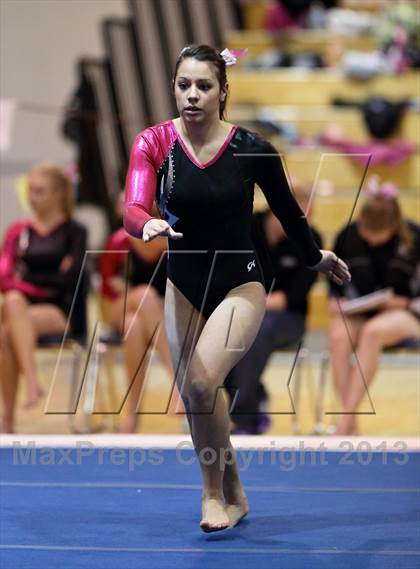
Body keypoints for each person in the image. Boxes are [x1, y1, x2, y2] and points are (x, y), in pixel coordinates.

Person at [123, 44, 350, 532]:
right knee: (198, 395)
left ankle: (211, 495)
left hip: (240, 282)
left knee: (203, 382)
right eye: (184, 84)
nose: (192, 95)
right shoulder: (154, 142)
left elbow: (290, 214)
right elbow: (133, 205)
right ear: (173, 88)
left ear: (223, 92)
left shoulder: (253, 149)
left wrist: (316, 258)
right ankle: (235, 492)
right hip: (182, 283)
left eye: (204, 86)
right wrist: (145, 226)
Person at [225, 182, 323, 434]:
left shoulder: (312, 239)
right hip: (244, 311)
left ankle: (244, 416)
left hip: (288, 319)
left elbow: (292, 297)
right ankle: (253, 393)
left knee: (258, 329)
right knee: (220, 330)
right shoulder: (247, 228)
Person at [328, 176, 420, 436]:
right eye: (367, 235)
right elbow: (333, 285)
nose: (372, 242)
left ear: (394, 226)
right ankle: (351, 425)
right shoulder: (348, 235)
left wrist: (403, 302)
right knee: (338, 335)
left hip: (406, 313)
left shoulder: (415, 238)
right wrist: (335, 301)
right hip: (360, 310)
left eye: (379, 237)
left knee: (372, 333)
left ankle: (344, 422)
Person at [0, 164, 87, 433]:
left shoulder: (74, 232)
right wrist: (42, 284)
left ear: (59, 193)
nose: (32, 198)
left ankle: (27, 390)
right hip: (23, 310)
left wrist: (26, 281)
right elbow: (4, 278)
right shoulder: (20, 231)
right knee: (6, 327)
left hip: (60, 312)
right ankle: (11, 415)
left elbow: (69, 280)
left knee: (13, 303)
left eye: (39, 191)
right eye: (30, 191)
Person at [99, 211, 182, 432]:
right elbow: (107, 288)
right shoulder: (119, 241)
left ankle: (131, 415)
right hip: (118, 307)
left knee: (133, 326)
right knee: (145, 294)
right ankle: (177, 379)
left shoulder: (171, 240)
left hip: (156, 317)